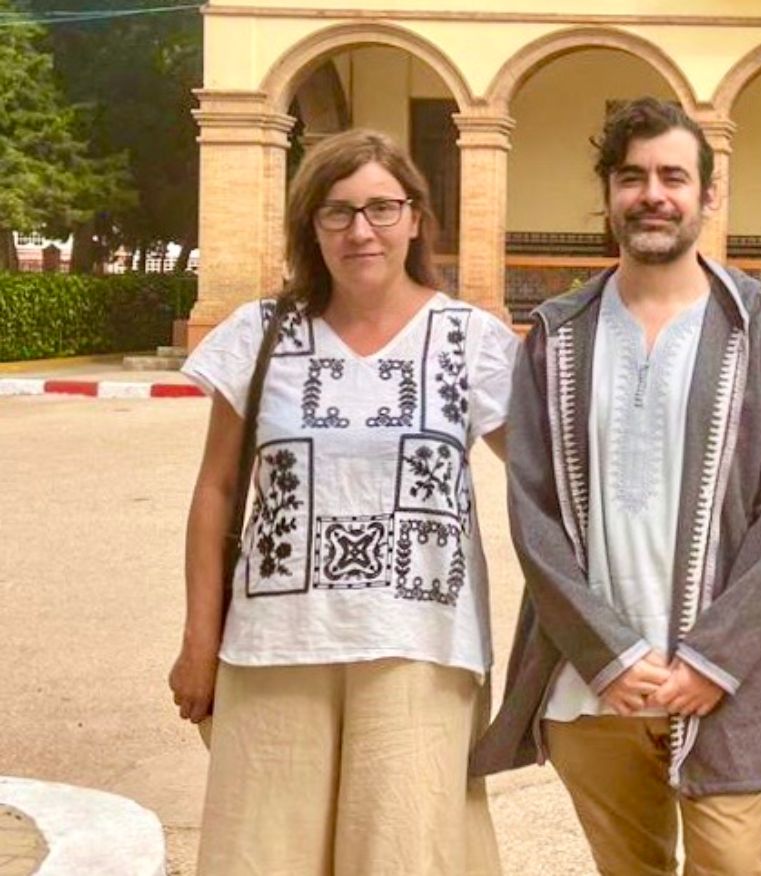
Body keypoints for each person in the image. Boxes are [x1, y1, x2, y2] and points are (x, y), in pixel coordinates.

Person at [469, 97, 761, 876]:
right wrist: (610, 654)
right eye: (633, 177)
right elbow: (534, 513)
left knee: (732, 863)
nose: (653, 194)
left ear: (707, 194)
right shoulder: (558, 335)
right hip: (594, 681)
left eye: (673, 176)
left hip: (726, 678)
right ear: (608, 194)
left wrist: (711, 659)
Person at [171, 128, 508, 876]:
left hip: (418, 642)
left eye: (382, 208)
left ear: (416, 218)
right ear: (310, 226)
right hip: (274, 643)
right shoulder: (258, 336)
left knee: (404, 855)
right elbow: (217, 489)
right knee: (263, 858)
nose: (361, 230)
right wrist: (200, 640)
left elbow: (547, 480)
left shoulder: (470, 340)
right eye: (337, 211)